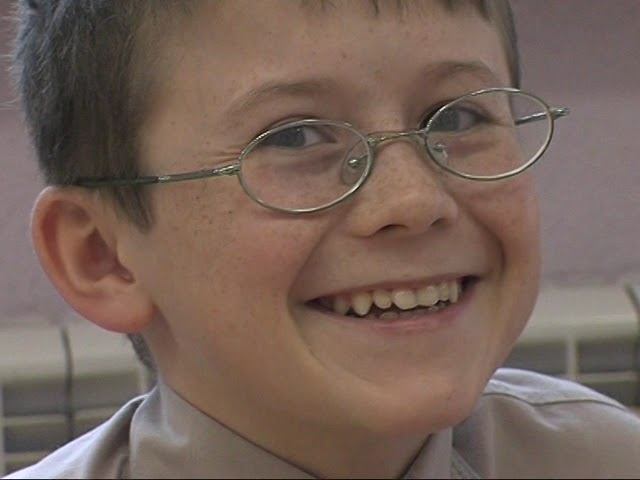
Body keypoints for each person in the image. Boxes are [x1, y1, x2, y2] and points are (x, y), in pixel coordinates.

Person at [7, 0, 640, 478]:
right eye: (295, 137)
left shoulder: (603, 459)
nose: (414, 201)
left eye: (459, 116)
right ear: (103, 257)